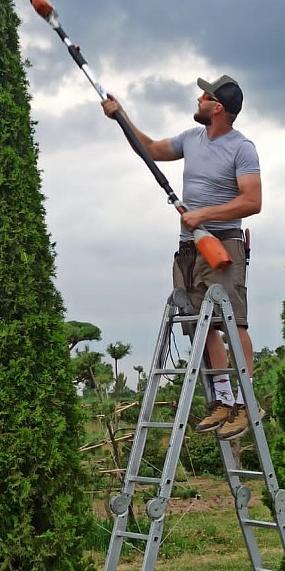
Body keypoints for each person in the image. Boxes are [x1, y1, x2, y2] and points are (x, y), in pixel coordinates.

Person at [101, 75, 262, 439]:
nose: (198, 99)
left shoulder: (242, 149)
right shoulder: (191, 138)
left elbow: (252, 201)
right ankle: (223, 399)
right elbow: (150, 149)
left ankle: (245, 403)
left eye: (204, 96)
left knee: (233, 322)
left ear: (216, 108)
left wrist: (203, 215)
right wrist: (121, 117)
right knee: (201, 324)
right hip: (190, 248)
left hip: (223, 244)